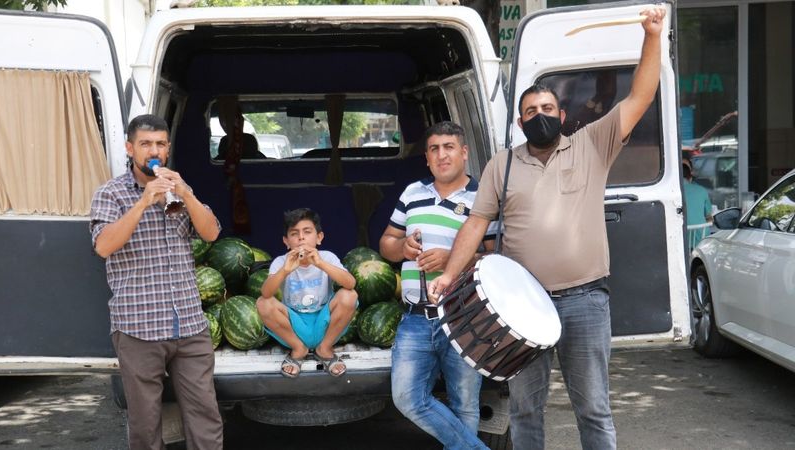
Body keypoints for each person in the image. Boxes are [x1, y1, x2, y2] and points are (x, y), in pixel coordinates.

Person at [427, 7, 667, 450]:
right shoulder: (503, 164)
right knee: (523, 410)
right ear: (520, 123)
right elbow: (477, 223)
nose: (539, 115)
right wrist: (447, 273)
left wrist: (652, 36)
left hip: (585, 301)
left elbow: (640, 96)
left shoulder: (593, 144)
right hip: (520, 308)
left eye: (547, 108)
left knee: (593, 409)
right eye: (531, 111)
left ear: (561, 115)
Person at [90, 114, 223, 450]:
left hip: (189, 326)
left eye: (160, 144)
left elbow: (210, 233)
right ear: (130, 148)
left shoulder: (179, 188)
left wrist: (187, 196)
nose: (154, 150)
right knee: (146, 426)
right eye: (146, 144)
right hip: (138, 327)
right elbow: (103, 246)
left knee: (205, 417)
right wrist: (143, 202)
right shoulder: (111, 194)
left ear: (167, 149)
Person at [379, 121, 498, 450]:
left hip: (464, 317)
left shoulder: (482, 199)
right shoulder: (412, 194)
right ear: (428, 158)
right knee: (406, 398)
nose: (441, 155)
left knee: (465, 405)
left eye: (448, 147)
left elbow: (496, 258)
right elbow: (386, 243)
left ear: (463, 152)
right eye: (434, 149)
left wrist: (453, 259)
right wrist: (401, 248)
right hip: (416, 318)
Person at [256, 208, 357, 378]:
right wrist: (285, 270)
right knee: (263, 303)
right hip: (294, 325)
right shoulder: (281, 261)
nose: (301, 237)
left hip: (324, 322)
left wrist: (320, 264)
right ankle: (298, 349)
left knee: (350, 295)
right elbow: (266, 293)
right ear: (286, 241)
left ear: (319, 238)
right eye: (294, 234)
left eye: (307, 232)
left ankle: (325, 348)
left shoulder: (328, 257)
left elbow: (350, 283)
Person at [683, 162, 713, 250]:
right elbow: (709, 218)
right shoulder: (702, 190)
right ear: (690, 177)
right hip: (700, 243)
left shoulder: (672, 193)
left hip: (678, 243)